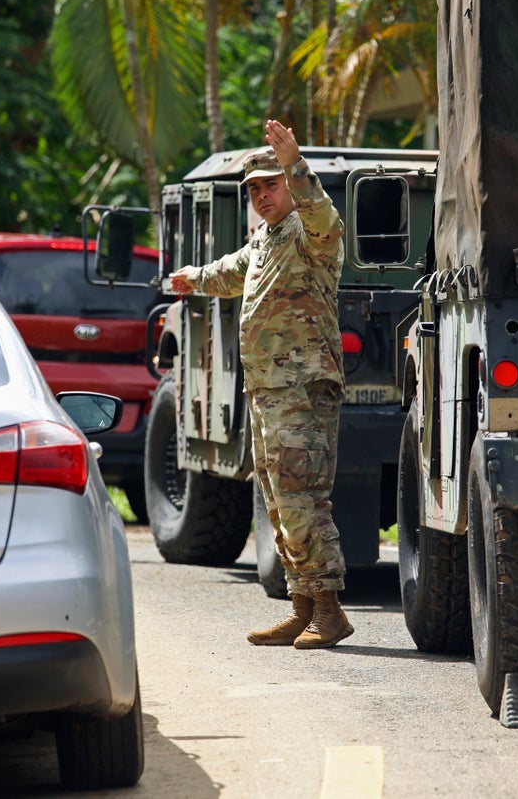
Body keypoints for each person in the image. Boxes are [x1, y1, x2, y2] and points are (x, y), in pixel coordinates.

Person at [169, 119, 351, 650]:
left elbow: (323, 216)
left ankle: (330, 611)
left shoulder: (311, 234)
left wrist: (294, 164)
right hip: (268, 390)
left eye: (269, 185)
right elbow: (232, 271)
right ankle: (302, 606)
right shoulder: (267, 239)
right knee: (276, 499)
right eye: (254, 190)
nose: (262, 195)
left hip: (301, 389)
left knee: (301, 500)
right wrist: (194, 277)